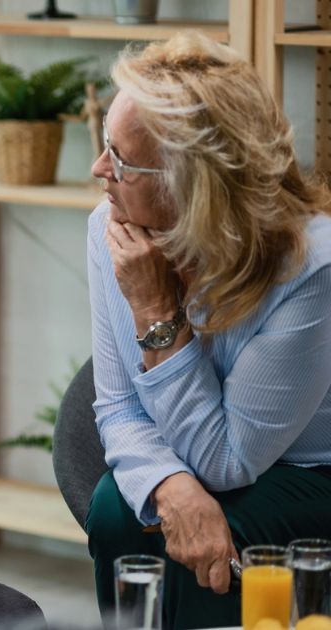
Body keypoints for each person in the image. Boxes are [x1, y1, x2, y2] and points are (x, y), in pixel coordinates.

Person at [87, 32, 331, 628]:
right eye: (104, 146)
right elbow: (117, 406)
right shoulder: (110, 226)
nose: (98, 170)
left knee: (220, 532)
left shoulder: (311, 265)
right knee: (121, 511)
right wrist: (170, 487)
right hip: (198, 455)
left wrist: (154, 309)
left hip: (307, 475)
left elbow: (226, 461)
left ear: (192, 184)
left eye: (120, 159)